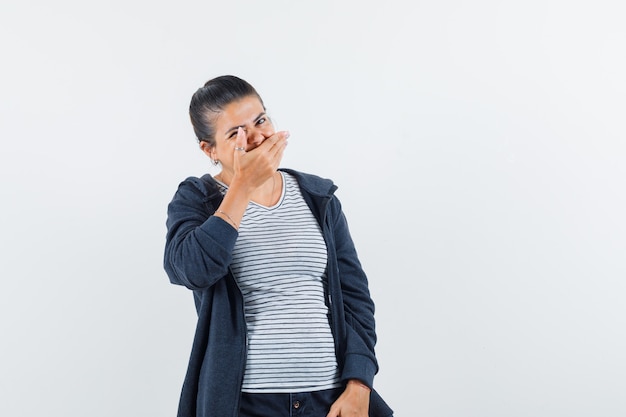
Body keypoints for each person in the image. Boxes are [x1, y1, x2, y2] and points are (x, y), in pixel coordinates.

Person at [163, 75, 393, 417]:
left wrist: (360, 384)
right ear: (208, 149)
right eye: (236, 132)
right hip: (244, 404)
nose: (256, 136)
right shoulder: (198, 199)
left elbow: (355, 299)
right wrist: (241, 187)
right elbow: (191, 270)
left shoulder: (318, 197)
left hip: (329, 401)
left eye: (260, 120)